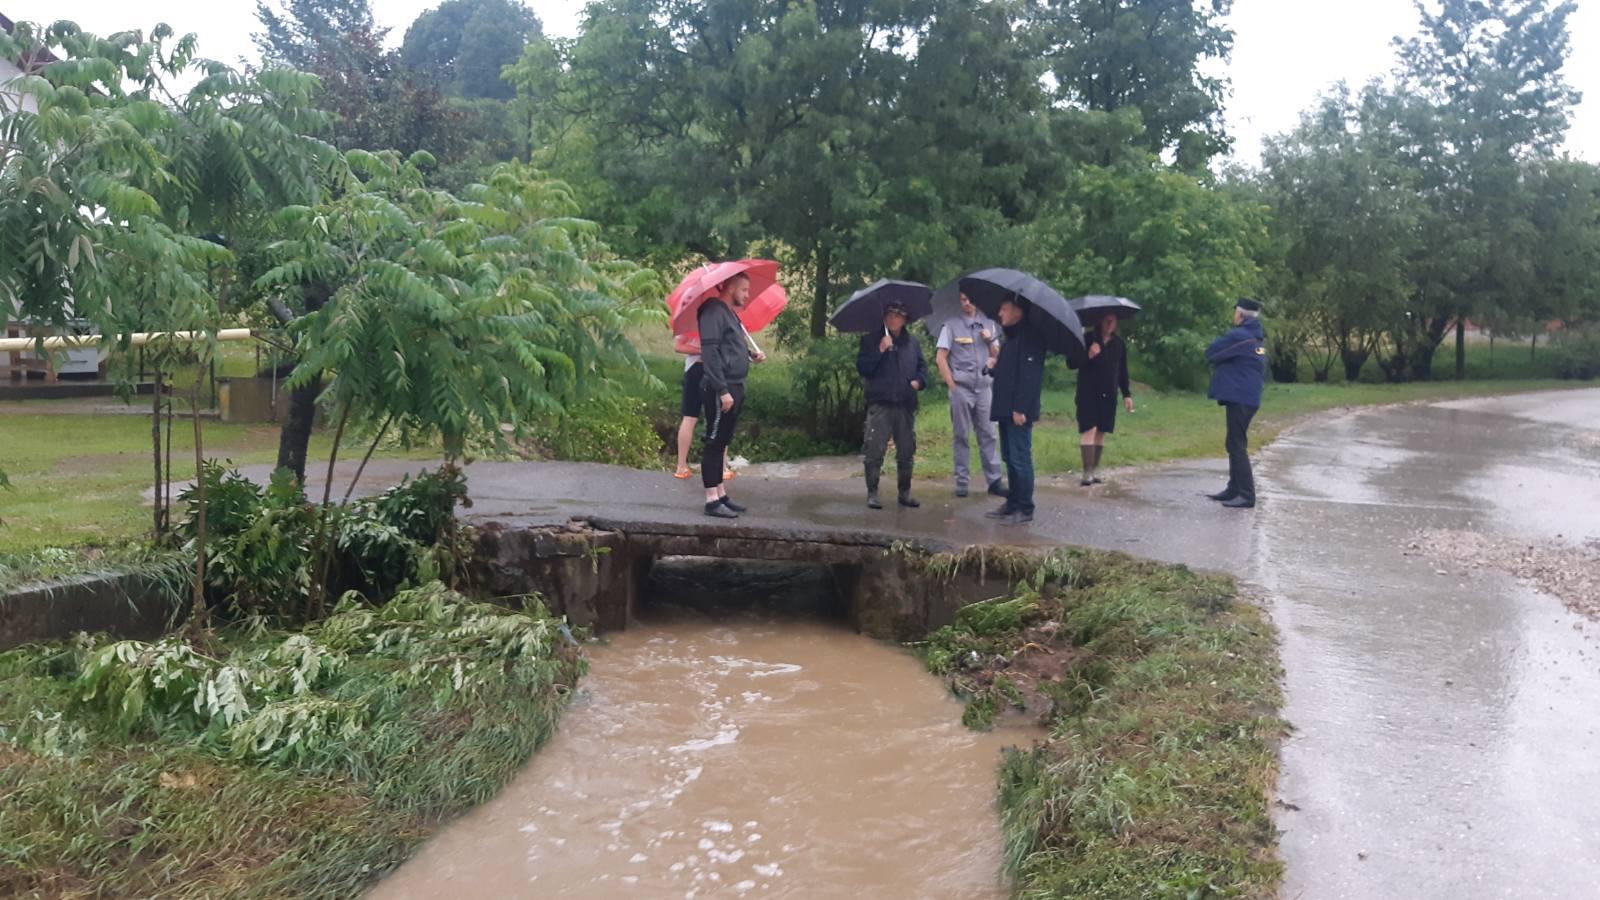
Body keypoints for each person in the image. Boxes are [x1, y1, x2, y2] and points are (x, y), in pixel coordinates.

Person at [857, 301, 929, 509]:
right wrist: (879, 350)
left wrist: (919, 381)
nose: (893, 319)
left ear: (905, 319)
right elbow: (863, 368)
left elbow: (923, 368)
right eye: (889, 315)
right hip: (880, 404)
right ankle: (872, 493)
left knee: (906, 451)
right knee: (874, 451)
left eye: (897, 315)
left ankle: (904, 493)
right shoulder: (870, 340)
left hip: (905, 404)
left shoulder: (912, 343)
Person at [935, 292, 1006, 499]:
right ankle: (962, 482)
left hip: (984, 388)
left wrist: (990, 339)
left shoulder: (989, 324)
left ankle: (994, 481)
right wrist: (952, 385)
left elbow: (998, 356)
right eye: (963, 300)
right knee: (961, 436)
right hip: (962, 389)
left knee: (989, 435)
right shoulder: (951, 326)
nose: (967, 304)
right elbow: (940, 358)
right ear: (960, 302)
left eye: (971, 299)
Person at [698, 274, 756, 518]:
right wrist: (722, 390)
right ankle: (711, 499)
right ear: (730, 287)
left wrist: (751, 356)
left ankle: (721, 492)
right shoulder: (712, 311)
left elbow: (729, 348)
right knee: (714, 441)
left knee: (723, 441)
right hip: (720, 387)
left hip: (736, 383)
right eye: (743, 290)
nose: (747, 295)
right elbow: (710, 353)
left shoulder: (729, 313)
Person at [987, 296, 1047, 526]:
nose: (999, 314)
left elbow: (1030, 376)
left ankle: (1025, 506)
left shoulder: (1030, 337)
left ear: (1017, 312)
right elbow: (1010, 372)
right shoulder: (1011, 337)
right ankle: (1012, 503)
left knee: (1021, 457)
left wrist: (1021, 407)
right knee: (1010, 457)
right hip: (1004, 407)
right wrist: (994, 367)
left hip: (1018, 410)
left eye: (1003, 309)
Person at [1204, 298, 1267, 509]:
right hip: (1247, 397)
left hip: (1241, 397)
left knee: (1237, 445)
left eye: (1235, 312)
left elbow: (1211, 352)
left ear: (1240, 315)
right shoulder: (1256, 338)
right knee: (1233, 442)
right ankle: (1233, 488)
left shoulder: (1239, 336)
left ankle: (1246, 494)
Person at [674, 331, 762, 480]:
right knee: (694, 417)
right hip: (700, 368)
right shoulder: (709, 319)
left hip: (716, 370)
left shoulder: (715, 318)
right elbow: (678, 346)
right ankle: (684, 466)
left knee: (717, 418)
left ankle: (718, 467)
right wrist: (705, 351)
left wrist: (751, 355)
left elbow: (732, 348)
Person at [1075, 312, 1135, 486]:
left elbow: (1122, 371)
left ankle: (1094, 469)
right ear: (1100, 321)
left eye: (1113, 321)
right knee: (1089, 428)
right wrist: (1089, 355)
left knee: (1102, 430)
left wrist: (1127, 394)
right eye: (1106, 320)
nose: (1110, 324)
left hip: (1108, 393)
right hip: (1088, 392)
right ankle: (1086, 472)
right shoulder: (1087, 339)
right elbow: (1071, 362)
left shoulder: (1118, 344)